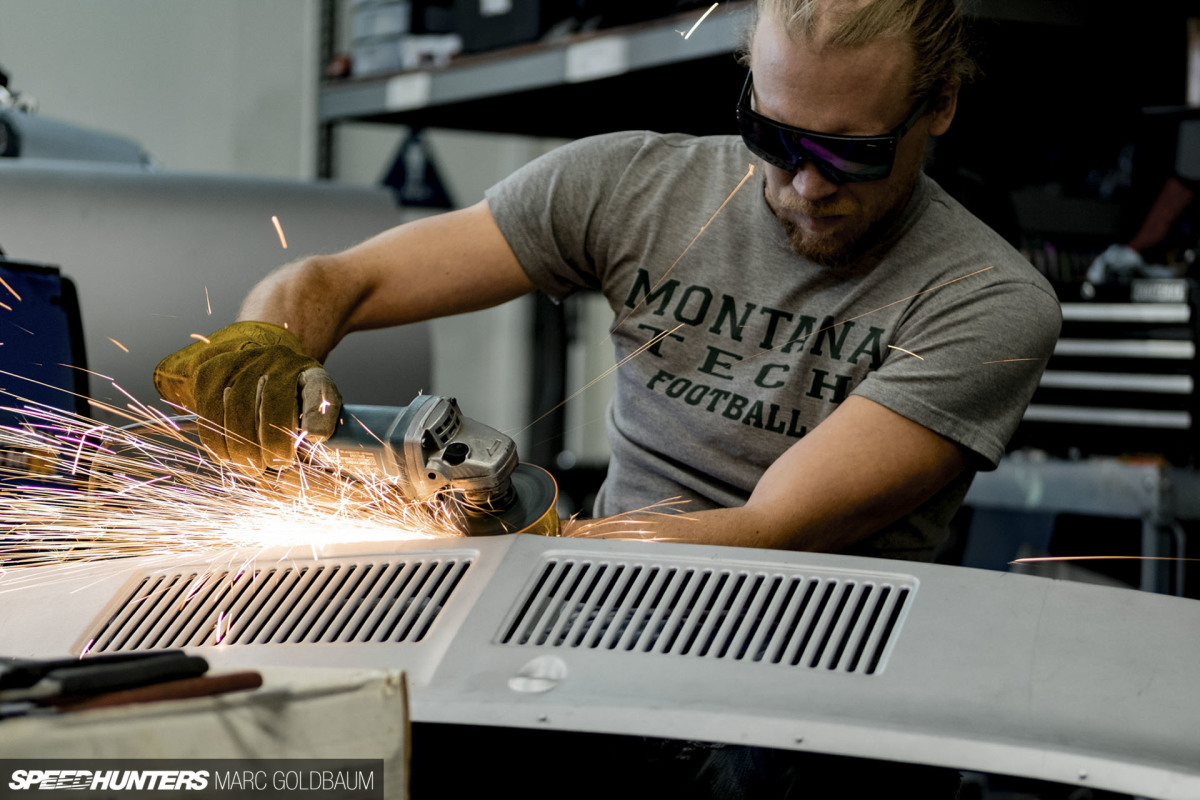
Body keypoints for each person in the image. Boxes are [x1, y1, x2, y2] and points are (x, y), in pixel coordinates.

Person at [155, 0, 1061, 565]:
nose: (808, 183)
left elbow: (765, 531)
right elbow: (336, 280)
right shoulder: (629, 184)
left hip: (820, 672)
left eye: (851, 153)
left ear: (939, 105)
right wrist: (266, 347)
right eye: (777, 138)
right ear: (748, 78)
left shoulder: (988, 300)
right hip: (603, 607)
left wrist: (529, 540)